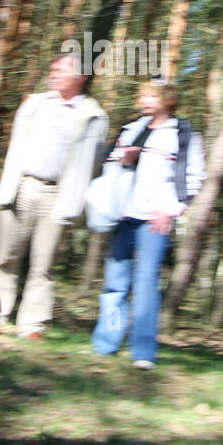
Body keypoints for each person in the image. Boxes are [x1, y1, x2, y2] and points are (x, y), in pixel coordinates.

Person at [0, 53, 108, 339]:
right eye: (54, 69)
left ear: (81, 77)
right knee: (5, 257)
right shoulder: (35, 104)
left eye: (62, 70)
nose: (54, 73)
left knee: (43, 265)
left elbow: (93, 162)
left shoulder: (94, 115)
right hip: (22, 188)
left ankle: (32, 326)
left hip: (58, 194)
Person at [89, 78, 204, 369]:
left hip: (155, 219)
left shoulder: (183, 132)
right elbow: (111, 169)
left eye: (153, 96)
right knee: (115, 282)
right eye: (144, 96)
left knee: (146, 284)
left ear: (168, 99)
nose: (146, 100)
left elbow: (194, 178)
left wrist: (171, 210)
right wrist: (125, 160)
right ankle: (106, 344)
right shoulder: (131, 129)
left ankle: (143, 352)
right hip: (122, 215)